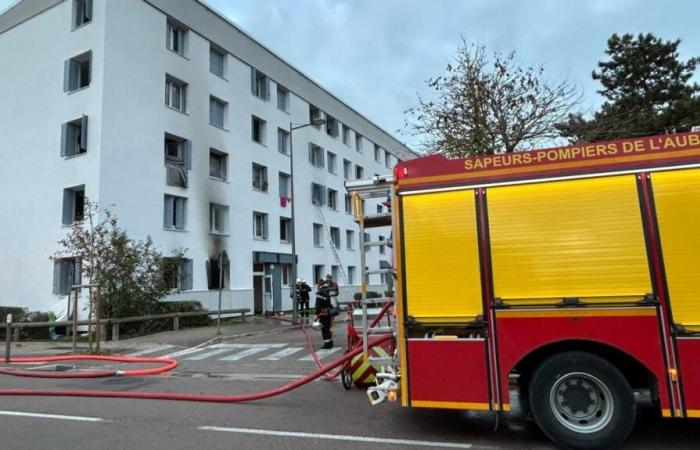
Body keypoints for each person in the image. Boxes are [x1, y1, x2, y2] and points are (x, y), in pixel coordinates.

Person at [314, 279, 334, 349]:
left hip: (323, 314)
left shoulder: (320, 293)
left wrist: (316, 314)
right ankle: (330, 342)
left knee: (324, 329)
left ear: (319, 285)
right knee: (329, 328)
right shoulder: (328, 291)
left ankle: (327, 344)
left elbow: (318, 305)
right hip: (329, 313)